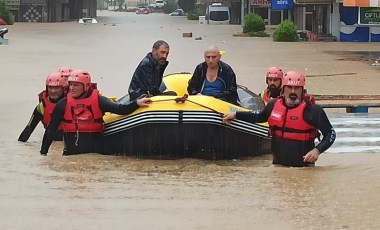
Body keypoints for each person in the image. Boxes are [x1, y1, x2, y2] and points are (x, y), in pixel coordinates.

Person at [223, 70, 336, 167]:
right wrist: (236, 115)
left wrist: (317, 150)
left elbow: (331, 134)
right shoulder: (273, 105)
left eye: (297, 88)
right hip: (278, 167)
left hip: (304, 169)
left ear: (302, 90)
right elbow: (259, 116)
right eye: (289, 87)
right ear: (283, 89)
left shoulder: (313, 111)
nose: (293, 92)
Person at [40, 70, 151, 156]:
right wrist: (43, 153)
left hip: (96, 156)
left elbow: (121, 109)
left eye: (76, 85)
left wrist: (136, 103)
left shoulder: (99, 100)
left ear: (86, 86)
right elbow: (50, 130)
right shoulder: (62, 104)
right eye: (71, 85)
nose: (72, 88)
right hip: (71, 157)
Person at [18, 72, 66, 142]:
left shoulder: (70, 104)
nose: (53, 91)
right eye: (50, 87)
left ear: (63, 89)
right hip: (51, 143)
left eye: (56, 88)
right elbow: (28, 129)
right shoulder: (41, 107)